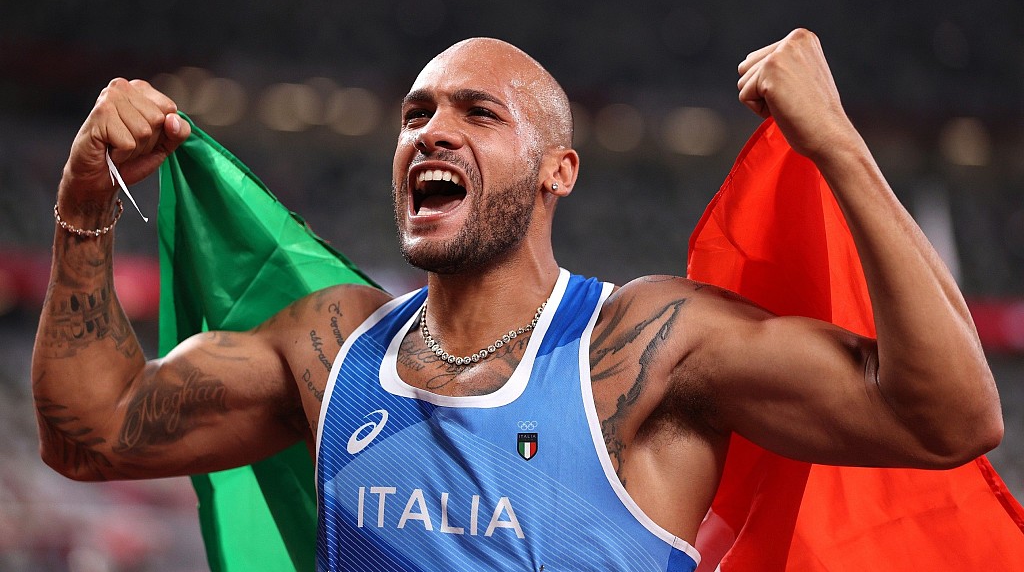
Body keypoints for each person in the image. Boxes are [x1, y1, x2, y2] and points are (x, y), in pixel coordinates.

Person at [33, 29, 1003, 571]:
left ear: (557, 172)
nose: (431, 132)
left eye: (477, 112)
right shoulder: (330, 349)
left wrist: (836, 143)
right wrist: (84, 207)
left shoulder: (648, 349)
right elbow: (92, 433)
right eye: (416, 114)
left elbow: (950, 418)